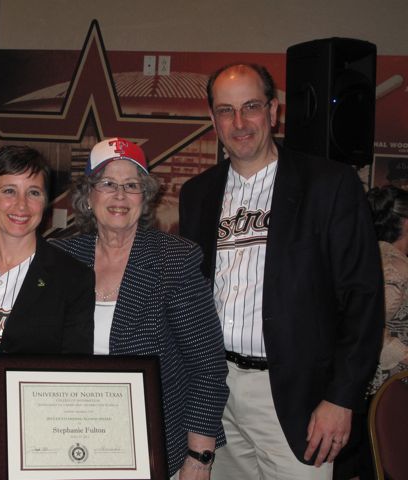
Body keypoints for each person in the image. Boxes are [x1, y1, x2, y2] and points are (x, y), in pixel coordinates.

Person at [179, 63, 384, 479]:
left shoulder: (330, 185)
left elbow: (363, 298)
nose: (239, 123)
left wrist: (341, 398)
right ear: (213, 119)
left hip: (296, 397)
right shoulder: (197, 194)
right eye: (225, 110)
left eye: (251, 106)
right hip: (215, 389)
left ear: (273, 112)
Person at [51, 137, 228, 479]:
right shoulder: (61, 258)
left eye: (132, 185)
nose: (120, 195)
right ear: (89, 196)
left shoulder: (175, 260)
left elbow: (206, 368)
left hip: (155, 448)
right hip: (73, 442)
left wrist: (199, 458)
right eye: (108, 184)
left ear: (145, 197)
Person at [0, 145, 95, 478]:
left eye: (34, 192)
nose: (22, 206)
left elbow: (72, 372)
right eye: (9, 191)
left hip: (27, 441)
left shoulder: (72, 278)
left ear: (47, 201)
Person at [367, 185, 408, 393]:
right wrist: (404, 355)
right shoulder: (393, 267)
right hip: (391, 387)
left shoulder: (376, 257)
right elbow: (367, 328)